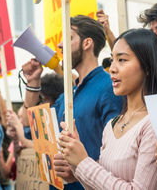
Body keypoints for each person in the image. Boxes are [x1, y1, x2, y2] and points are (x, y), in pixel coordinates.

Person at [57, 28, 157, 189]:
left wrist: (83, 162)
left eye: (122, 60)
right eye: (112, 60)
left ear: (147, 66)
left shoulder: (156, 124)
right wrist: (75, 165)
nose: (112, 68)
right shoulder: (112, 125)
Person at [22, 15, 122, 189]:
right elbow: (31, 126)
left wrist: (79, 171)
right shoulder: (69, 92)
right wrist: (32, 83)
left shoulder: (109, 86)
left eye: (68, 38)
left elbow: (118, 151)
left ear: (87, 43)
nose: (60, 45)